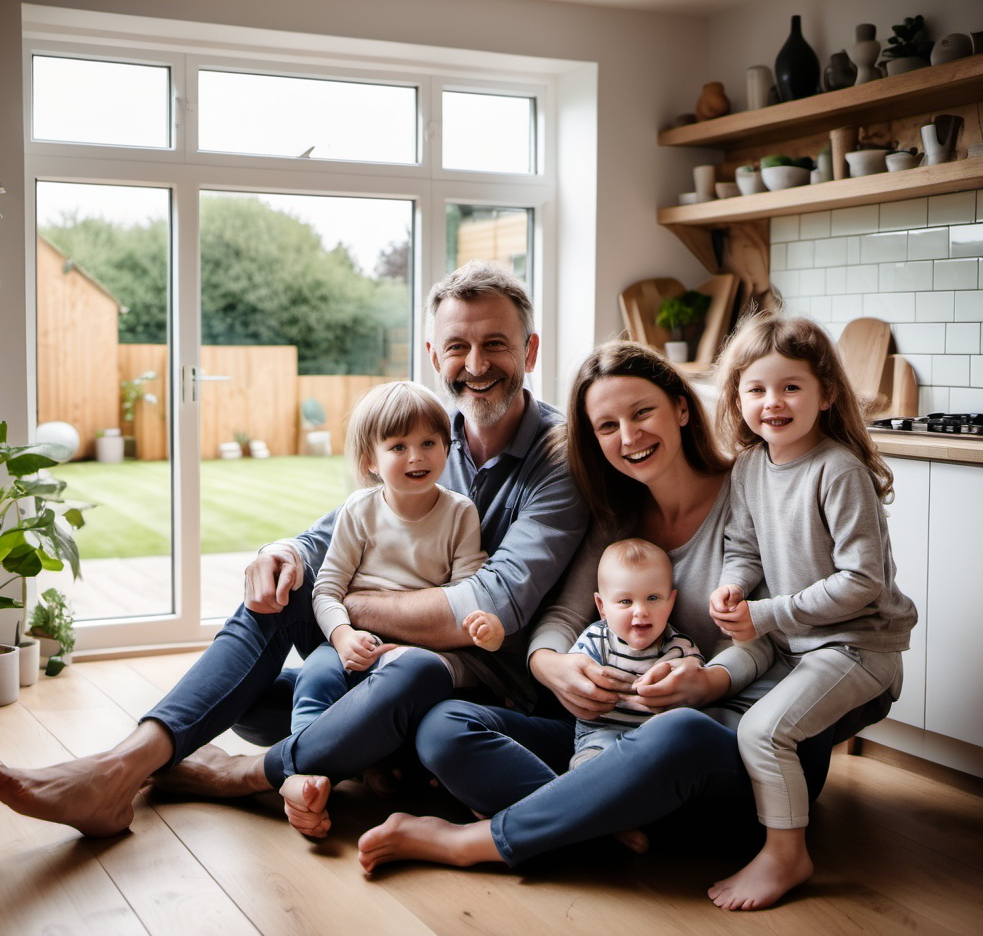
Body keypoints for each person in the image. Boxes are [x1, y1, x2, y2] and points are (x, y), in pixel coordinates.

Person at [0, 261, 589, 840]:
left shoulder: (562, 456)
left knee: (333, 679)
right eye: (457, 346)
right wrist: (289, 550)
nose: (475, 364)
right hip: (383, 660)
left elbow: (490, 605)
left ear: (529, 351)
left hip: (474, 687)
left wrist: (344, 600)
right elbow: (340, 528)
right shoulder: (430, 434)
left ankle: (225, 774)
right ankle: (139, 759)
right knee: (253, 689)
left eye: (496, 344)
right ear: (435, 356)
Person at [356, 340, 891, 887]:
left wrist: (708, 682)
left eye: (642, 413)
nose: (629, 438)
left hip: (743, 749)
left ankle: (478, 842)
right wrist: (552, 667)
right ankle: (599, 817)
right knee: (444, 727)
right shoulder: (616, 518)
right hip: (615, 733)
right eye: (606, 426)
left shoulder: (753, 486)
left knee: (675, 733)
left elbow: (773, 632)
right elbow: (561, 620)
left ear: (681, 409)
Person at [704, 312, 917, 911]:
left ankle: (786, 855)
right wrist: (732, 586)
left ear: (824, 394)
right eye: (757, 388)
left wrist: (767, 613)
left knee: (763, 730)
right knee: (715, 674)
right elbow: (743, 547)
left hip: (858, 644)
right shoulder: (750, 466)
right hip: (801, 637)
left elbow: (861, 583)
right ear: (738, 396)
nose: (773, 402)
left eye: (791, 387)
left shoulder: (838, 470)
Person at [289, 379, 497, 746]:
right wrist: (342, 636)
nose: (416, 457)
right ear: (371, 460)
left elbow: (466, 593)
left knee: (413, 691)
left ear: (446, 448)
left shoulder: (460, 513)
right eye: (398, 446)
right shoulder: (359, 510)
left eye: (428, 443)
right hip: (360, 639)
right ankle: (301, 759)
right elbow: (327, 589)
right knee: (317, 674)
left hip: (426, 645)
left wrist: (482, 628)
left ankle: (375, 763)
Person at [569, 537, 701, 769]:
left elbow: (697, 681)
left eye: (653, 598)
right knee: (591, 764)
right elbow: (573, 680)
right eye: (625, 601)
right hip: (601, 731)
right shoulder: (595, 641)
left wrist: (687, 677)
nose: (640, 611)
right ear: (602, 607)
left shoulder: (679, 648)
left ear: (671, 602)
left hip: (654, 738)